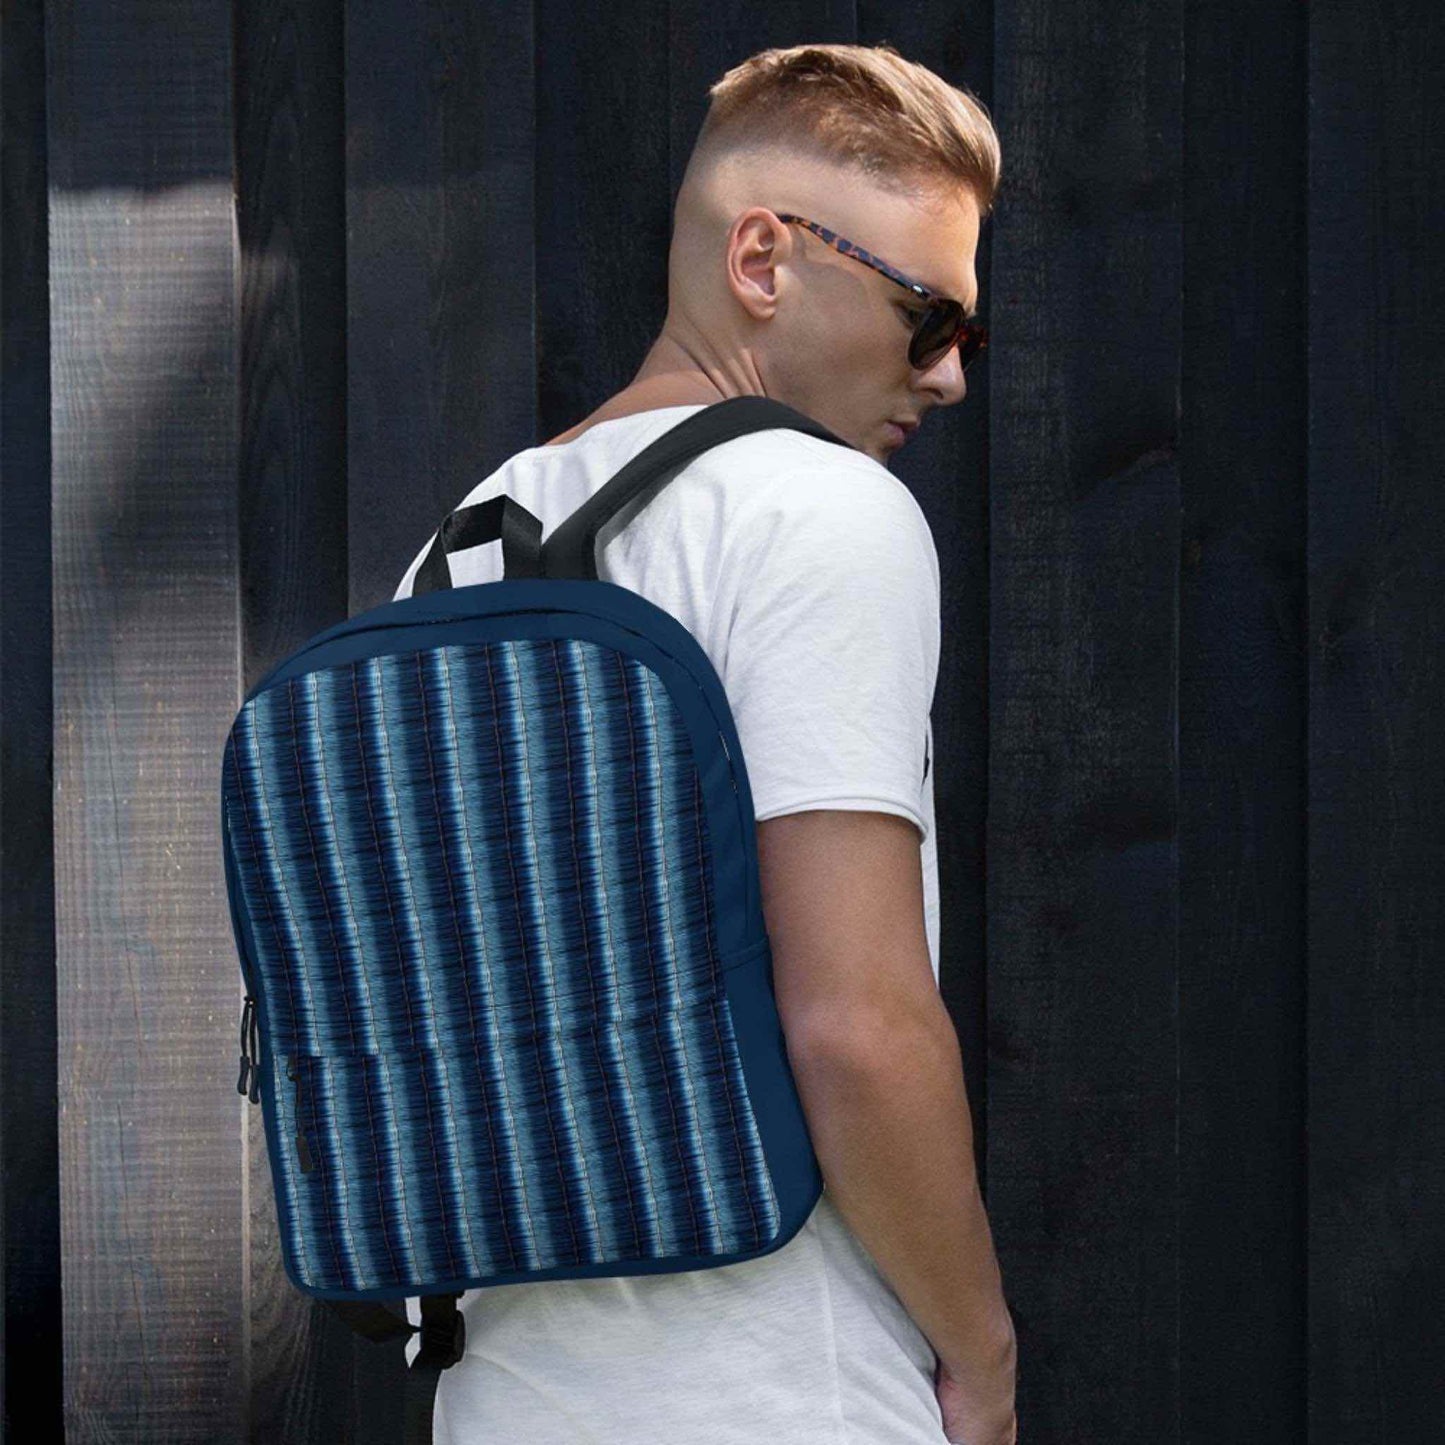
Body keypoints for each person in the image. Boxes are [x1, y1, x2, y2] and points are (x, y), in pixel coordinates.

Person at [391, 41, 1017, 1445]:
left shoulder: (453, 550)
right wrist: (983, 1354)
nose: (954, 377)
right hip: (777, 1389)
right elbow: (853, 1021)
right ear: (763, 260)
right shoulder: (816, 509)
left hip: (501, 1394)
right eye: (931, 319)